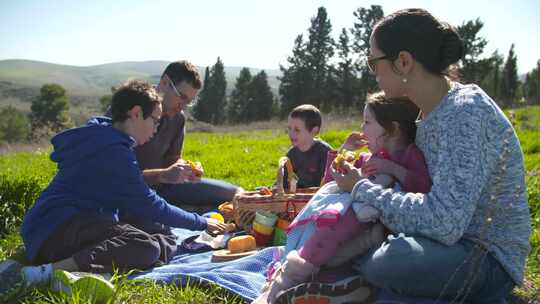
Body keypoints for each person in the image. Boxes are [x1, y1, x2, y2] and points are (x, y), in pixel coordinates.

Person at [287, 8, 531, 304]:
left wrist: (361, 189)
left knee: (389, 261)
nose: (373, 73)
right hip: (441, 242)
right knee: (363, 242)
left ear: (403, 62)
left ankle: (358, 280)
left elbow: (444, 222)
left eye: (373, 62)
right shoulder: (423, 116)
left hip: (484, 256)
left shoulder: (467, 112)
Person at [0, 80, 228, 298]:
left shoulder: (104, 136)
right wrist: (201, 222)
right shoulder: (113, 151)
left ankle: (82, 272)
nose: (156, 128)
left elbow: (136, 202)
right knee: (145, 246)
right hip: (55, 231)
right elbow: (150, 204)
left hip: (54, 226)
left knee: (158, 232)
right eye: (155, 120)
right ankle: (39, 275)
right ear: (136, 113)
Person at [254, 93, 432, 304]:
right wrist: (344, 152)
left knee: (325, 242)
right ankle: (326, 285)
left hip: (378, 233)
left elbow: (422, 186)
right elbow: (330, 183)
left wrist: (393, 168)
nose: (362, 128)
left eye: (367, 122)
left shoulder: (409, 155)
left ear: (392, 129)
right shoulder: (369, 158)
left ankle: (287, 284)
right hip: (355, 234)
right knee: (326, 249)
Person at [121, 60, 240, 212]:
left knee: (237, 193)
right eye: (181, 97)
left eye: (189, 102)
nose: (183, 106)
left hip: (166, 188)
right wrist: (162, 175)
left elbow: (172, 160)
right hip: (131, 193)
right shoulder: (130, 111)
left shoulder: (178, 118)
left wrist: (186, 169)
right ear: (164, 82)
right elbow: (117, 177)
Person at [282, 104, 332, 190]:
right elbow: (284, 183)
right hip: (297, 199)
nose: (291, 133)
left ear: (314, 131)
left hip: (319, 197)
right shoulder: (291, 154)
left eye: (297, 130)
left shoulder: (325, 153)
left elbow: (329, 184)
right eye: (289, 128)